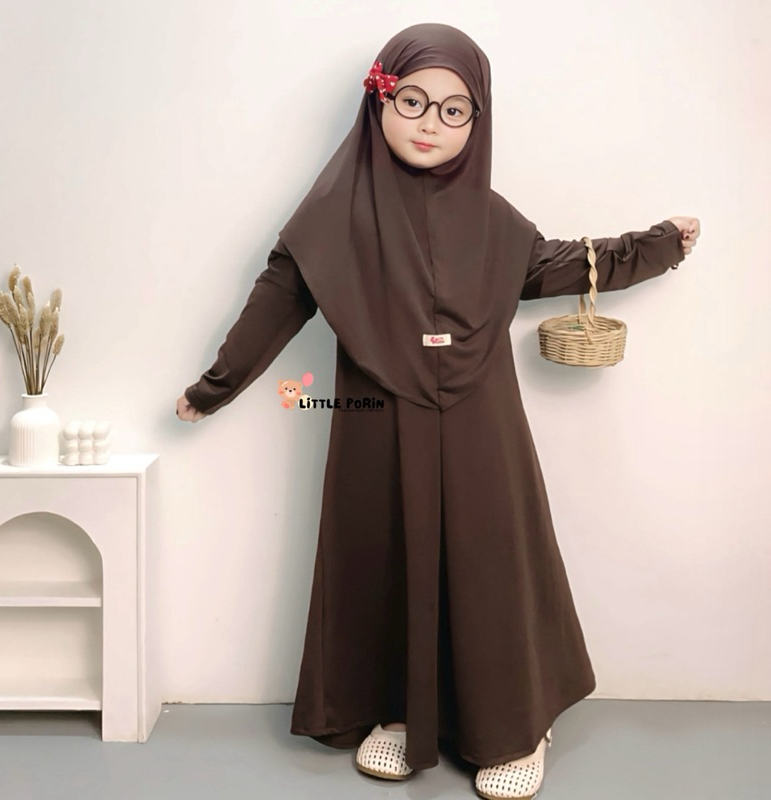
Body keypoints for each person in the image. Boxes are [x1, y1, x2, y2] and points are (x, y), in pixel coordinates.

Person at [176, 22, 700, 800]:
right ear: (380, 101)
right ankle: (400, 710)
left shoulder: (493, 221)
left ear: (477, 120)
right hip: (375, 420)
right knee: (384, 549)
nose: (431, 123)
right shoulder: (329, 217)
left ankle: (517, 725)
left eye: (455, 110)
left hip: (480, 420)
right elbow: (279, 298)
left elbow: (562, 265)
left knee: (489, 558)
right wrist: (213, 388)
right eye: (414, 101)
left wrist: (660, 244)